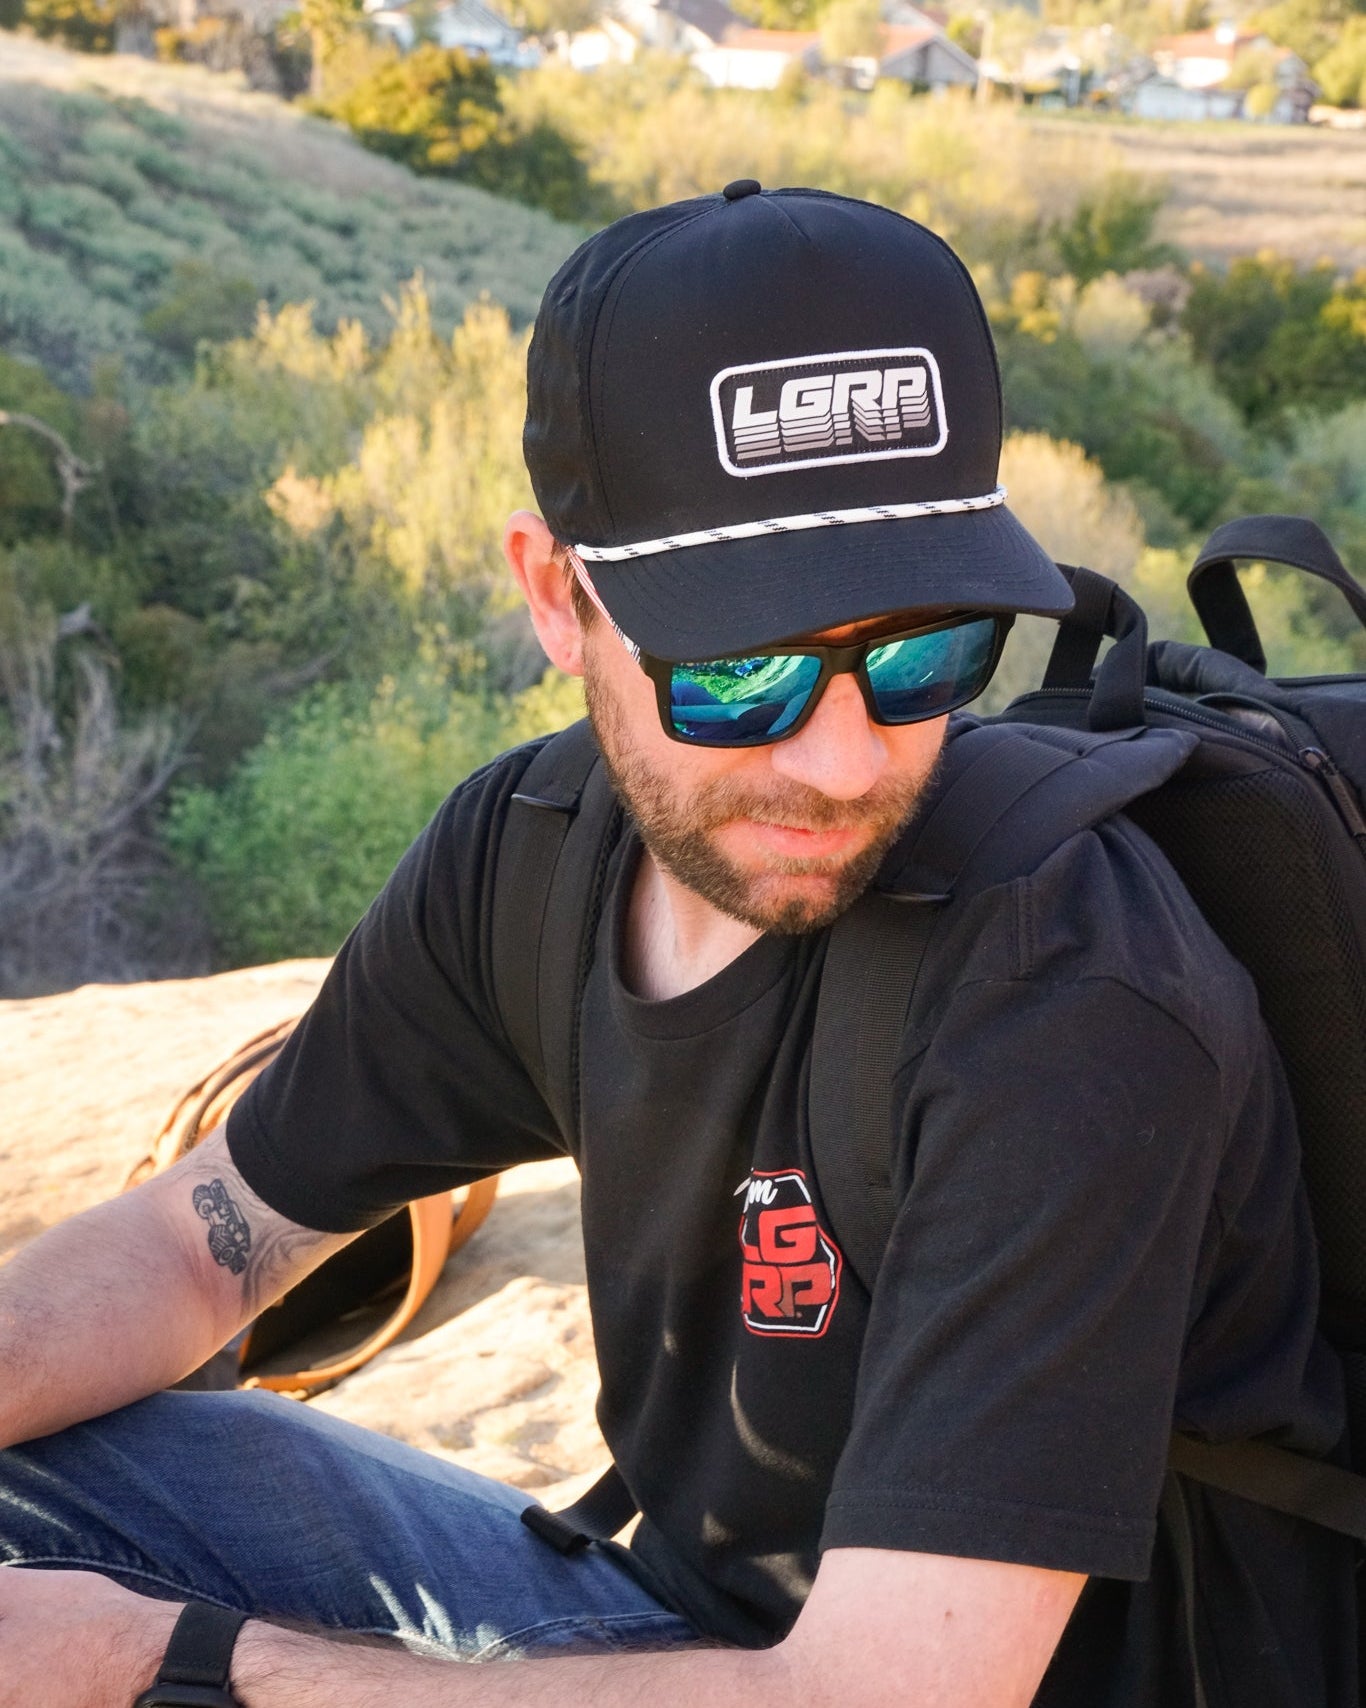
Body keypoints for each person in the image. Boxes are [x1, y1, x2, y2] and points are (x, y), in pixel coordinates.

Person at [0, 183, 1355, 1708]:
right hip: (694, 1629)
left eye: (921, 652)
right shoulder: (523, 856)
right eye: (740, 673)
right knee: (60, 1481)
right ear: (554, 595)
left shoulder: (1068, 996)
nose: (842, 761)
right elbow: (196, 1244)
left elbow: (877, 1701)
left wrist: (155, 1662)